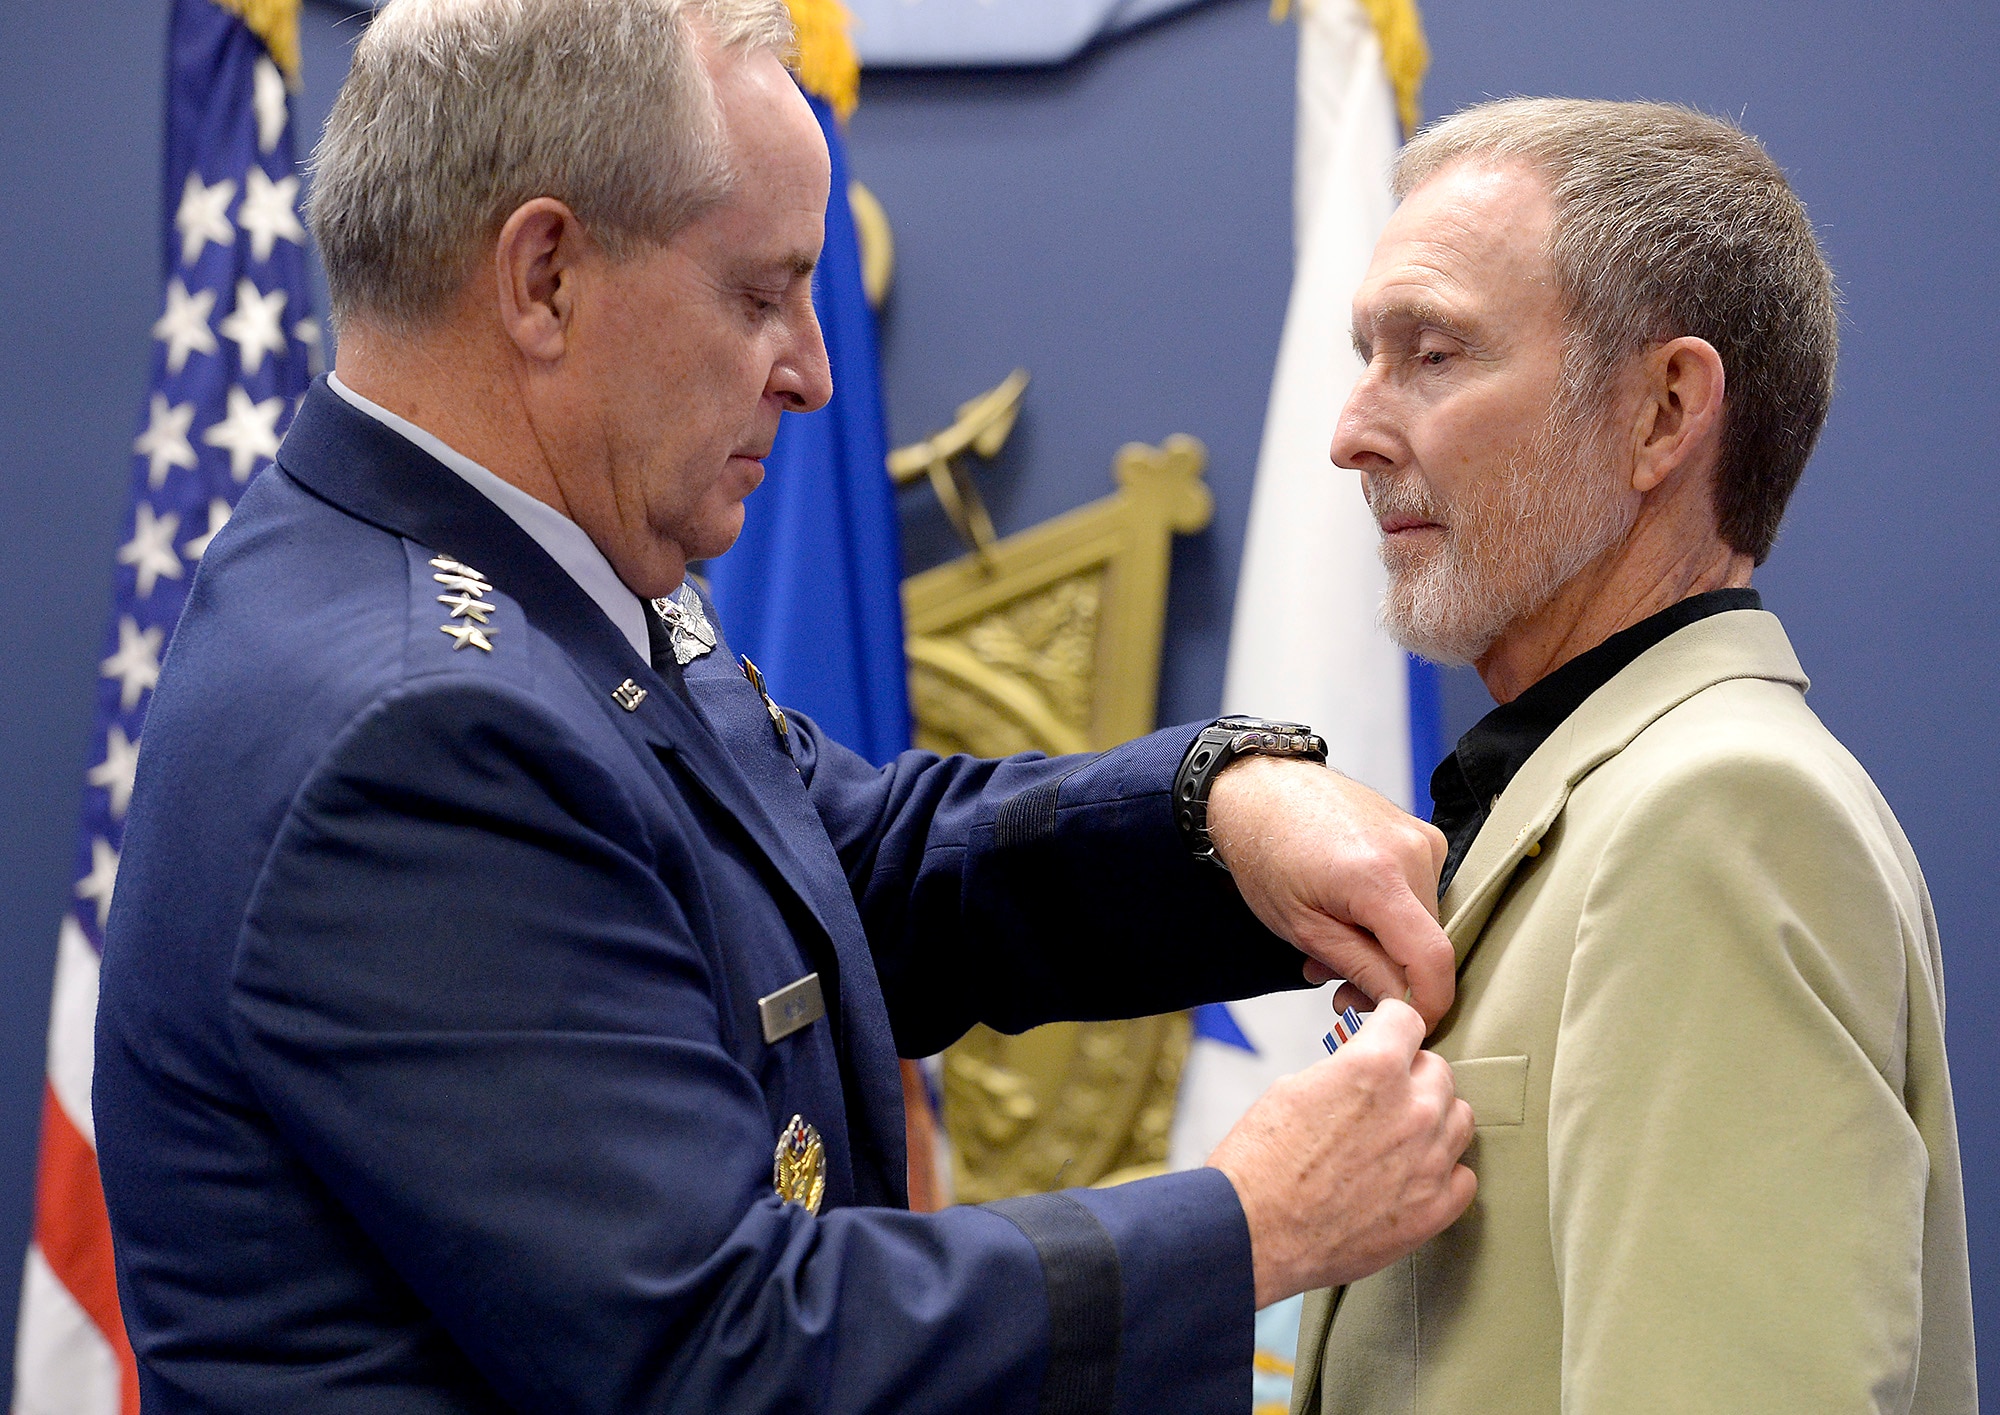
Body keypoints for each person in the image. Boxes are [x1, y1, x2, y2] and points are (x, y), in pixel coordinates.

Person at [92, 1, 1479, 1410]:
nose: (811, 370)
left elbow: (846, 865)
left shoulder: (509, 575)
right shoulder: (422, 729)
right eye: (760, 296)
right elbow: (728, 1357)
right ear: (546, 278)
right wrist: (1248, 1226)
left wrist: (1218, 816)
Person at [1290, 98, 1978, 1414]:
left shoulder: (1720, 813)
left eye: (1433, 355)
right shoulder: (1627, 793)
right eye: (1367, 356)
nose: (1354, 432)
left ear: (1664, 412)